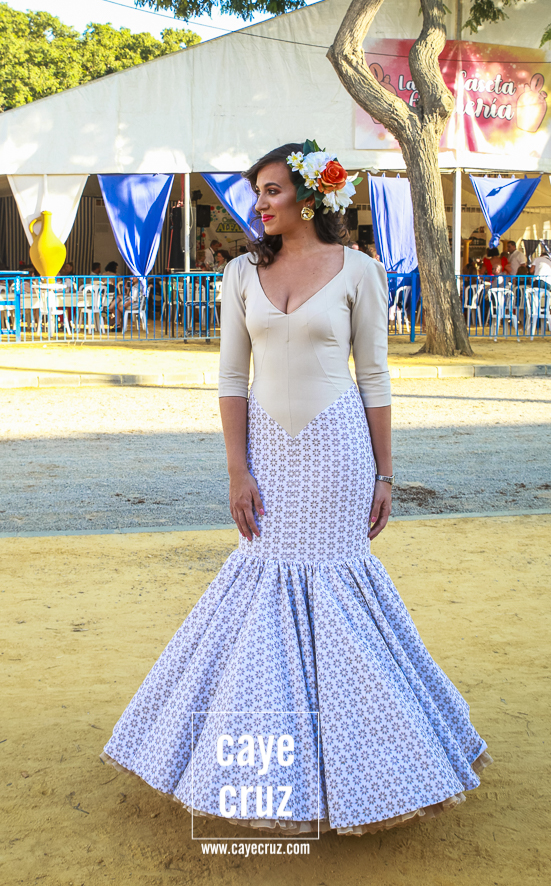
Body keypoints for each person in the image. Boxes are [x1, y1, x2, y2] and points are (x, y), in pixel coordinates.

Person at [100, 140, 493, 837]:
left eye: (273, 190)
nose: (260, 203)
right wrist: (237, 469)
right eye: (257, 192)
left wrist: (384, 473)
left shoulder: (360, 270)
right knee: (262, 579)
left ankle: (380, 768)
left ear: (311, 196)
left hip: (339, 452)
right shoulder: (239, 274)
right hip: (267, 457)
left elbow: (374, 376)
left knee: (338, 585)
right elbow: (231, 377)